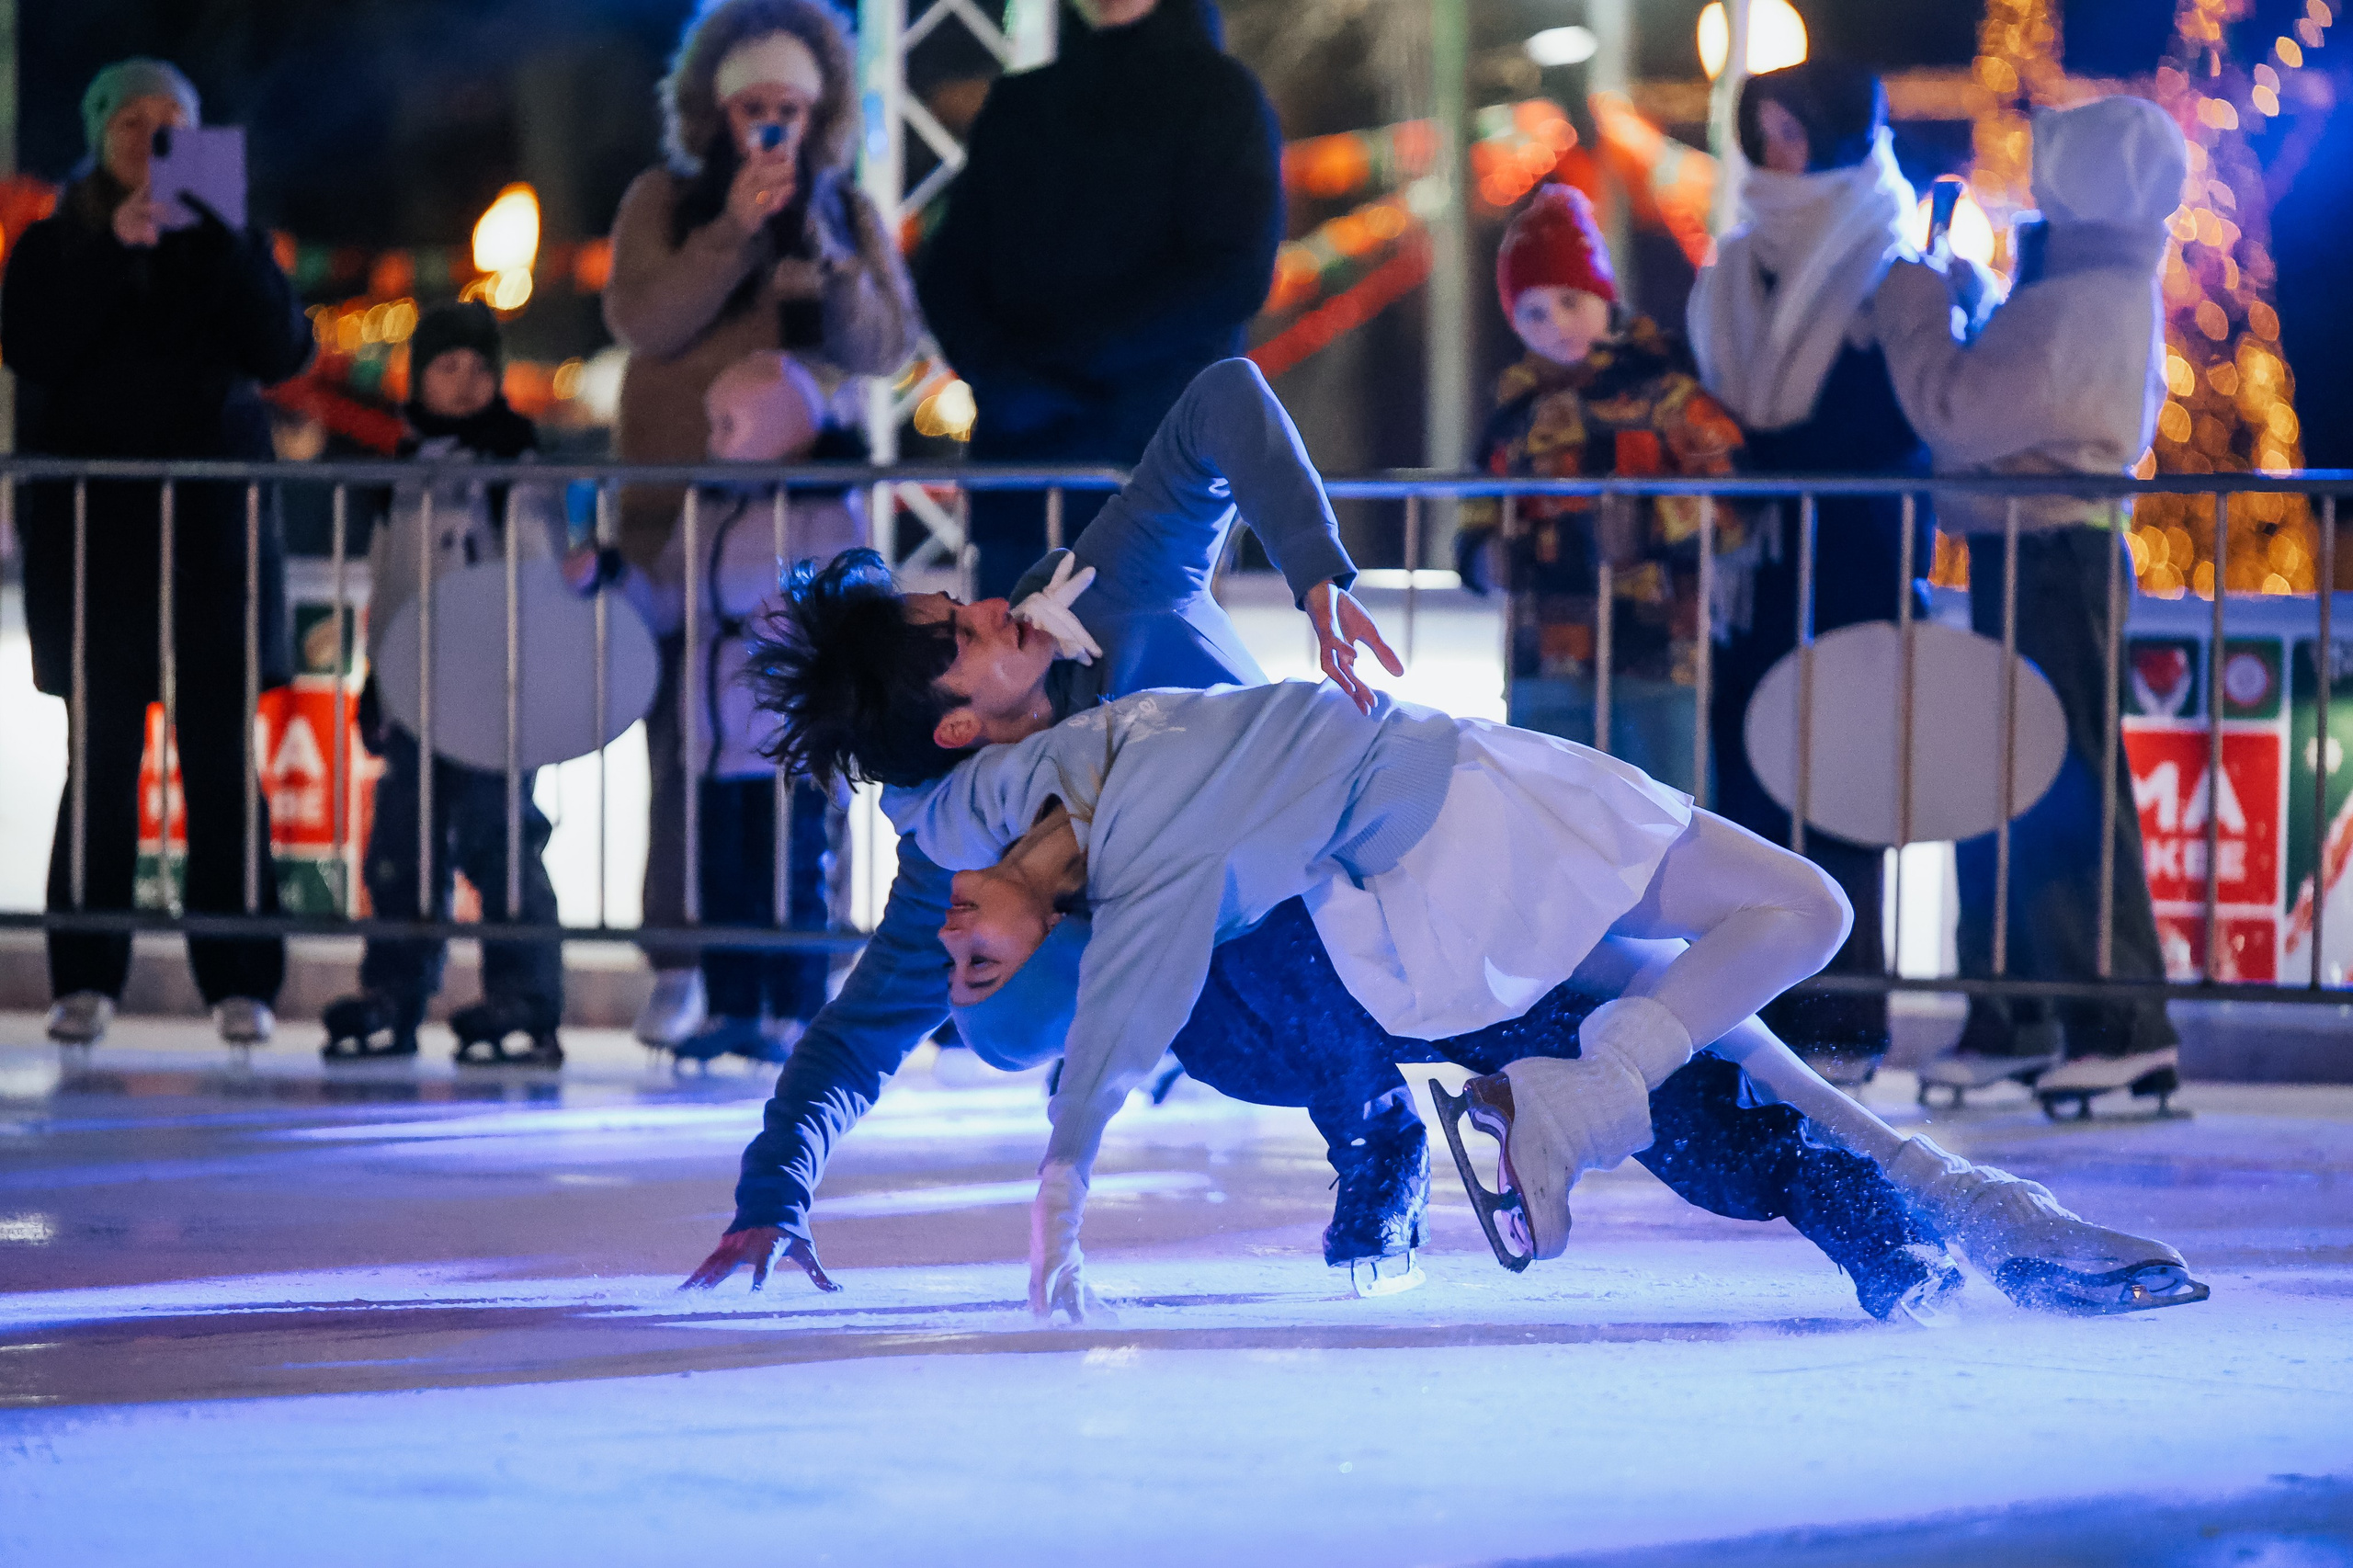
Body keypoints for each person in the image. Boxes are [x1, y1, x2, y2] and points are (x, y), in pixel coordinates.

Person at [899, 678, 2205, 1324]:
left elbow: (919, 783)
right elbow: (1356, 1089)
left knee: (1747, 963)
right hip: (1437, 922)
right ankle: (1907, 1214)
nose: (959, 927)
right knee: (1695, 1044)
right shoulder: (1164, 951)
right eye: (978, 967)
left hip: (1467, 815)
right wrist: (1369, 1193)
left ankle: (1921, 1208)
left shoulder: (1040, 794)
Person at [604, 0, 919, 1052]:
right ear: (714, 109)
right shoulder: (664, 198)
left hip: (803, 527)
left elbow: (886, 345)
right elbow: (643, 317)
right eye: (753, 108)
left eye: (790, 108)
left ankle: (796, 963)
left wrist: (825, 259)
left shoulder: (845, 207)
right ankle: (684, 962)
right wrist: (732, 228)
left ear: (819, 112)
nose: (771, 127)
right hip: (674, 511)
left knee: (807, 742)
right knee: (684, 746)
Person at [1875, 96, 2187, 1109]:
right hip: (2040, 550)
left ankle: (2112, 1020)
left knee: (2060, 792)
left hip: (2047, 553)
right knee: (2021, 786)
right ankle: (2024, 1014)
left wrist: (1916, 306)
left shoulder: (2079, 299)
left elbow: (1958, 411)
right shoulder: (2090, 286)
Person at [2, 58, 312, 1051]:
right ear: (99, 134)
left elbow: (281, 352)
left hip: (212, 544)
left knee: (221, 761)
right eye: (129, 120)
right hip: (95, 545)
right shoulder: (56, 241)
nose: (149, 139)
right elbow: (32, 347)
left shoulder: (233, 238)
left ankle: (240, 978)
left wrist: (218, 241)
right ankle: (85, 976)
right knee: (100, 762)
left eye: (170, 120)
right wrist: (109, 250)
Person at [1685, 62, 1944, 1083]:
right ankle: (1757, 1013)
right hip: (1751, 571)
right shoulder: (1734, 262)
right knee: (1748, 785)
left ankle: (1844, 1017)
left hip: (1852, 567)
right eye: (1766, 132)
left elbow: (1888, 421)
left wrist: (1757, 463)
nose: (1777, 152)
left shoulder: (1888, 256)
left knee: (1842, 787)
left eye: (1795, 131)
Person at [916, 0, 1281, 601]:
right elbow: (949, 270)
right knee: (1016, 679)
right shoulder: (1020, 104)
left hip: (1148, 466)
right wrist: (1007, 374)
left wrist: (1038, 368)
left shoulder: (1217, 96)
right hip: (1026, 468)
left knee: (1150, 685)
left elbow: (1234, 272)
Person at [567, 350, 861, 1064]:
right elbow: (670, 599)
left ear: (779, 431)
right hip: (715, 729)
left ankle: (793, 1006)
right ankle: (732, 1002)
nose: (713, 441)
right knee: (724, 875)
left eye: (728, 425)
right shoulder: (709, 506)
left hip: (790, 736)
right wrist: (612, 575)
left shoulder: (825, 513)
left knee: (791, 874)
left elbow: (856, 606)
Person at [312, 304, 567, 1066]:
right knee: (400, 843)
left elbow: (541, 573)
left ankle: (523, 993)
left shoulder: (516, 464)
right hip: (417, 685)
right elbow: (391, 583)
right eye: (447, 368)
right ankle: (393, 989)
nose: (463, 384)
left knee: (500, 840)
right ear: (419, 375)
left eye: (478, 370)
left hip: (496, 690)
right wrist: (375, 682)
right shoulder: (404, 467)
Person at [1454, 182, 1746, 792]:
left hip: (1658, 652)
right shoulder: (1516, 414)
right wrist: (1482, 559)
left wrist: (1652, 528)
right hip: (1547, 660)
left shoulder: (1667, 395)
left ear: (1603, 298)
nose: (1554, 325)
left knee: (1671, 817)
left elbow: (1734, 501)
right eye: (1532, 312)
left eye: (1569, 301)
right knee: (1554, 826)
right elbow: (1478, 510)